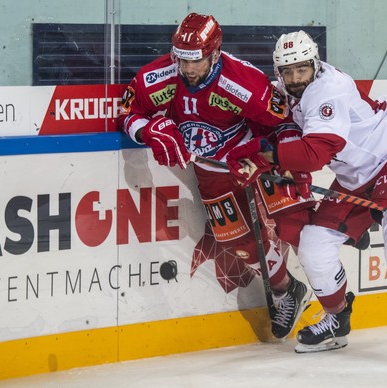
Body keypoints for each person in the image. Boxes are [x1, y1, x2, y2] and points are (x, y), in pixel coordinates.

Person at [225, 30, 387, 375]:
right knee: (314, 245)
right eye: (288, 72)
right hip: (357, 177)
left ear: (314, 65)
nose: (296, 78)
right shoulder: (289, 91)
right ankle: (337, 319)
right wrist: (256, 153)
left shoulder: (328, 90)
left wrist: (262, 157)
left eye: (302, 69)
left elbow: (315, 153)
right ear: (279, 72)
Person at [117, 13, 315, 340]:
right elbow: (128, 111)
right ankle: (286, 290)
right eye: (182, 59)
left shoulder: (243, 82)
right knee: (235, 239)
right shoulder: (160, 76)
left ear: (215, 53)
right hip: (211, 168)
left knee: (293, 223)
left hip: (255, 157)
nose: (188, 68)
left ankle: (332, 293)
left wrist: (284, 157)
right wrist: (148, 129)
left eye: (196, 60)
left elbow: (285, 120)